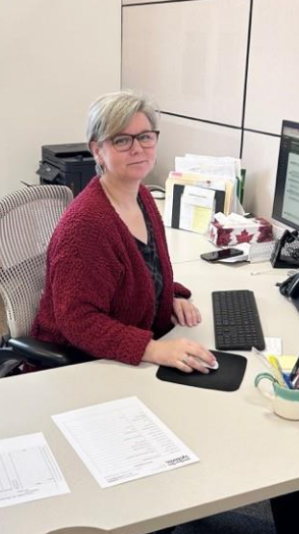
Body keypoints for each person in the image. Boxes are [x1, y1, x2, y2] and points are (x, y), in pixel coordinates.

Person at [31, 90, 217, 373]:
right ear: (97, 150)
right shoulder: (87, 225)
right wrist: (154, 350)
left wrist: (170, 300)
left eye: (145, 136)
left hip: (126, 352)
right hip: (83, 363)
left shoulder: (142, 197)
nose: (138, 148)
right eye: (121, 140)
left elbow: (145, 274)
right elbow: (78, 321)